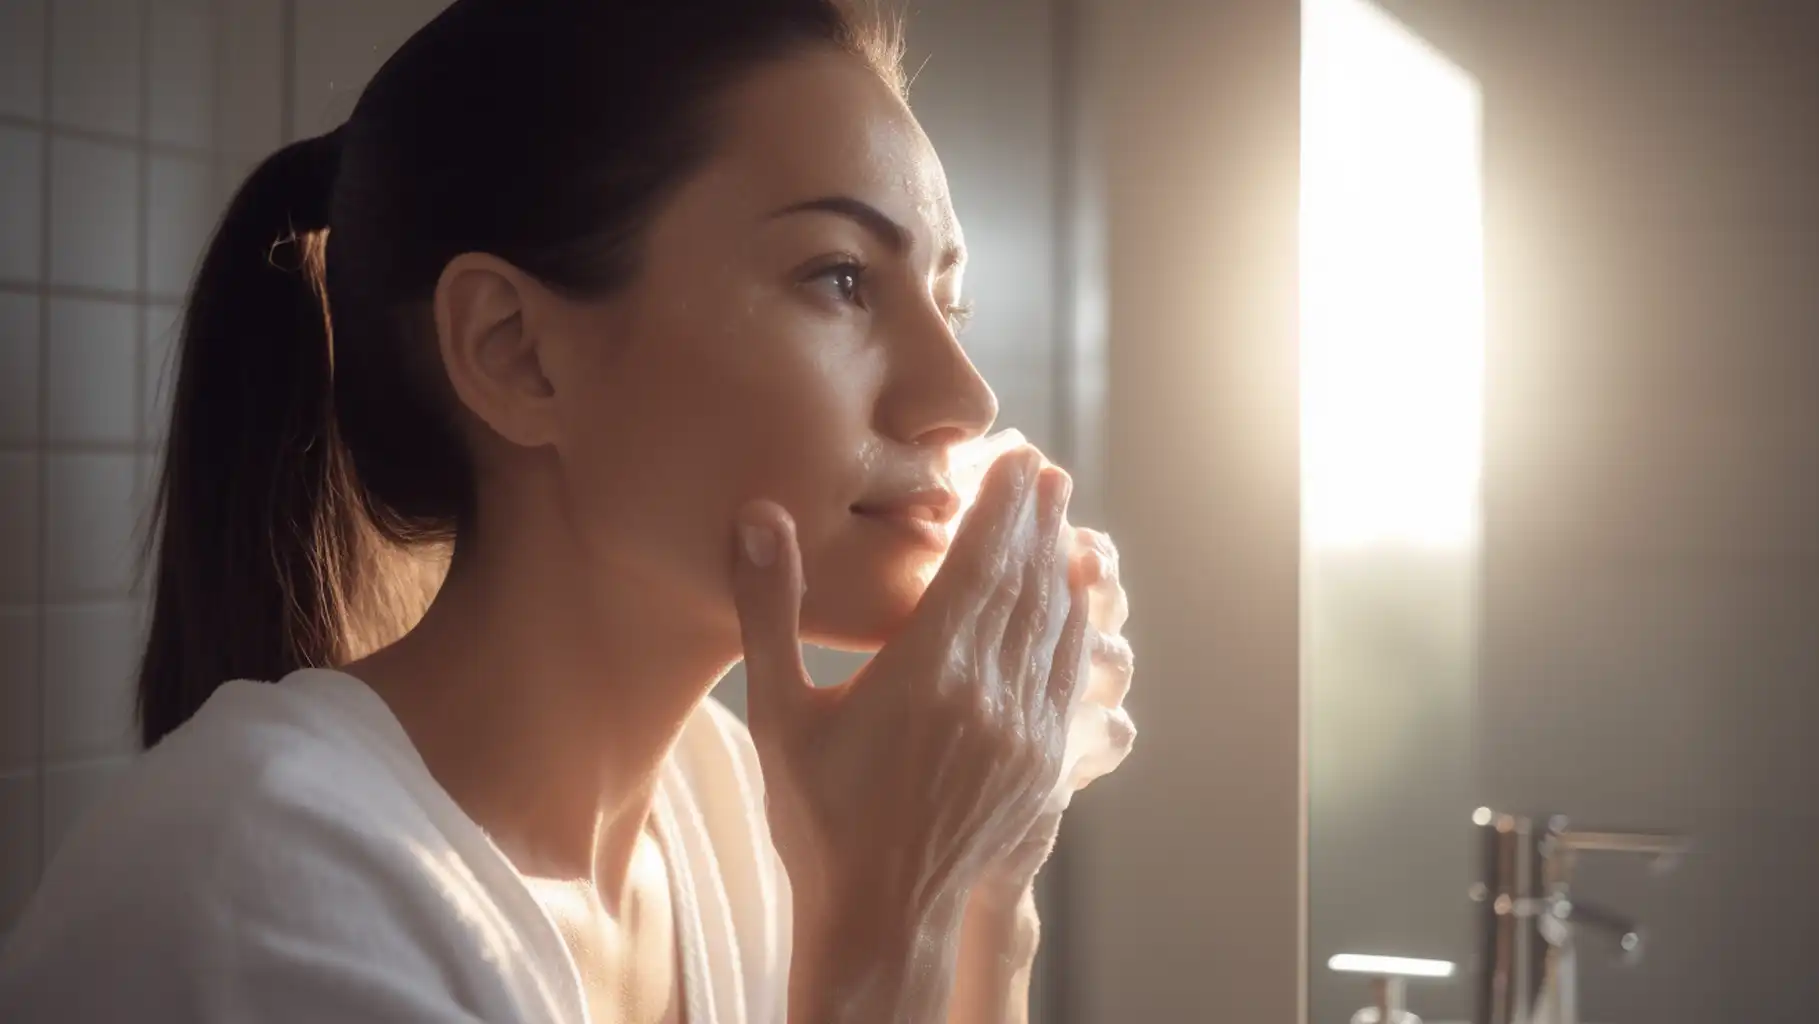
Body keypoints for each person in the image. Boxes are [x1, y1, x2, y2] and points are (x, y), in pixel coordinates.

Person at [0, 2, 1136, 1022]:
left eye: (949, 299)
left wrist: (985, 875)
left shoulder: (724, 806)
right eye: (839, 277)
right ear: (516, 353)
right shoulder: (254, 893)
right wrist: (891, 927)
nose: (962, 396)